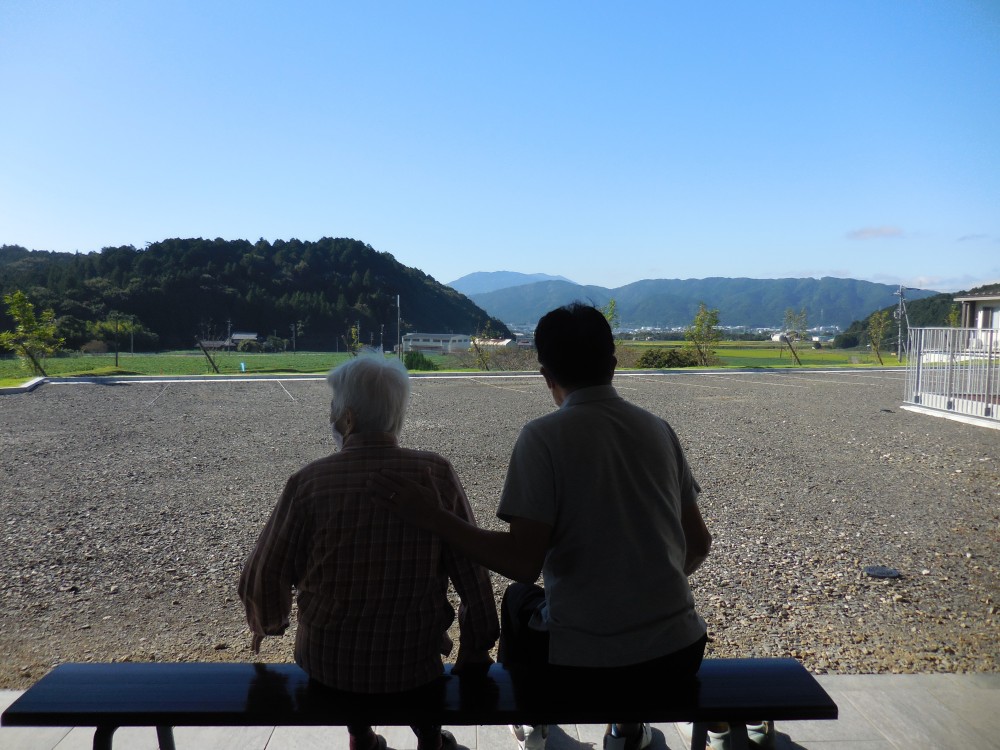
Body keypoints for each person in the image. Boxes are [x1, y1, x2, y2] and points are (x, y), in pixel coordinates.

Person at [370, 303, 713, 750]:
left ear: (545, 374)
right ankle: (628, 729)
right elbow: (699, 543)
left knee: (518, 600)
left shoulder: (544, 437)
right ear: (612, 364)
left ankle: (534, 720)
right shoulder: (658, 430)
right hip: (679, 654)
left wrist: (433, 517)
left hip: (580, 667)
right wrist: (638, 587)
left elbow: (521, 562)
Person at [239, 351, 499, 750]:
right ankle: (430, 736)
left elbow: (266, 569)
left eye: (333, 407)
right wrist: (478, 640)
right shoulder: (435, 473)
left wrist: (267, 623)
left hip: (328, 663)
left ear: (348, 419)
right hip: (414, 661)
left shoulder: (309, 482)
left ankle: (360, 736)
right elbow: (471, 568)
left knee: (346, 669)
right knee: (418, 673)